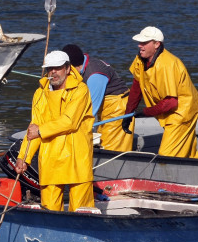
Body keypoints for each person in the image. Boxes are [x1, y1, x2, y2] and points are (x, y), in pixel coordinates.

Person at [15, 50, 95, 212]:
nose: (53, 72)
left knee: (82, 209)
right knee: (49, 209)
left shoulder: (81, 90)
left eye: (57, 68)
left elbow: (69, 121)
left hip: (76, 156)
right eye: (50, 68)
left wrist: (40, 131)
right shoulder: (40, 93)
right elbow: (34, 128)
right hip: (50, 156)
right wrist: (23, 157)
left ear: (67, 68)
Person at [123, 26, 198, 159]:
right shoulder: (140, 59)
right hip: (168, 110)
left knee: (167, 155)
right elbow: (137, 86)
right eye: (140, 42)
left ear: (156, 44)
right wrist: (128, 114)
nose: (140, 46)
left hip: (182, 111)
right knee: (187, 152)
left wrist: (145, 112)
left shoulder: (167, 64)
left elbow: (171, 103)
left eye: (144, 43)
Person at [61, 43, 133, 152]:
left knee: (110, 148)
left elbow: (90, 110)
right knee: (103, 138)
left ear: (71, 67)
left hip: (118, 109)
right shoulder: (83, 63)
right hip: (106, 108)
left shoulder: (94, 76)